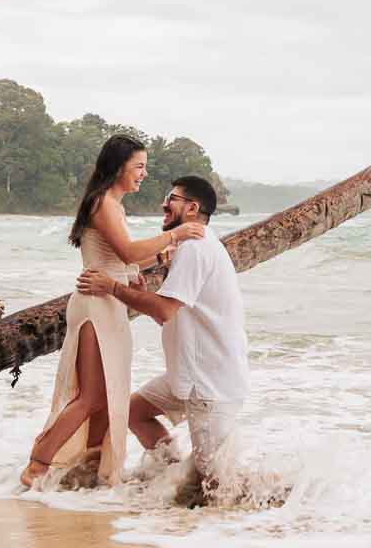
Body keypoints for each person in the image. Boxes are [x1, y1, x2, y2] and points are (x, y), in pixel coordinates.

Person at [20, 136, 205, 489]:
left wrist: (161, 256)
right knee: (91, 395)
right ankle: (38, 463)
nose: (144, 174)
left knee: (108, 397)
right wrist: (176, 235)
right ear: (119, 167)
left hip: (108, 303)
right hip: (95, 305)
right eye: (139, 166)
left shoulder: (113, 206)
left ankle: (90, 468)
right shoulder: (103, 202)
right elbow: (129, 253)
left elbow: (123, 260)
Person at [76, 174, 248, 504]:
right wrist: (138, 293)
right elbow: (167, 314)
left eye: (172, 199)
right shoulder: (191, 247)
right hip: (189, 373)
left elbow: (165, 310)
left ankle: (273, 512)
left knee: (217, 487)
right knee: (133, 412)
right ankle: (172, 475)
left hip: (209, 382)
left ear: (192, 208)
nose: (163, 204)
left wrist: (112, 287)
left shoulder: (195, 249)